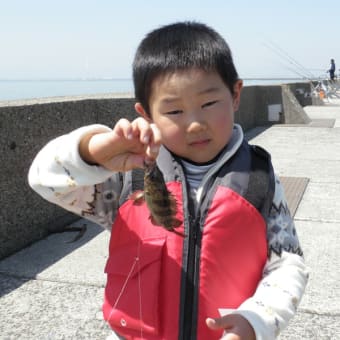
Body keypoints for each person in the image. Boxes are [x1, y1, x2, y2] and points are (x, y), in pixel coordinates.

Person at [28, 21, 308, 340]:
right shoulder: (125, 182)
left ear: (235, 94)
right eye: (174, 111)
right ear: (146, 114)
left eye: (208, 103)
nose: (195, 124)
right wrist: (92, 151)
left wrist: (256, 321)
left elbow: (288, 264)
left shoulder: (258, 179)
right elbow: (43, 179)